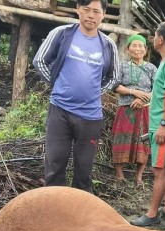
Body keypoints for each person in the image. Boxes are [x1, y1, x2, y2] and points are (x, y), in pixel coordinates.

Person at [32, 0, 118, 193]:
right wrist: (58, 85)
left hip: (90, 116)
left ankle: (79, 218)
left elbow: (113, 77)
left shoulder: (108, 45)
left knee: (84, 171)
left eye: (96, 11)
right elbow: (40, 61)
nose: (90, 15)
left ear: (103, 14)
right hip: (60, 111)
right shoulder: (62, 34)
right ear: (78, 9)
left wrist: (95, 93)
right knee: (54, 166)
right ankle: (55, 213)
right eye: (86, 10)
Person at [130, 22, 165, 227]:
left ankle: (152, 213)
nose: (153, 39)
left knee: (159, 170)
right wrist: (147, 101)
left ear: (161, 39)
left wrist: (163, 124)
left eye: (155, 35)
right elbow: (164, 93)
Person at [111, 34, 157, 186]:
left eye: (140, 46)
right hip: (125, 109)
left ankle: (139, 177)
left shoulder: (151, 68)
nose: (137, 49)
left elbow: (158, 90)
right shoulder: (122, 66)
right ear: (128, 48)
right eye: (134, 45)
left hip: (144, 110)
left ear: (145, 50)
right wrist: (133, 92)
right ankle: (120, 176)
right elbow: (115, 86)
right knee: (120, 139)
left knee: (143, 141)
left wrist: (142, 98)